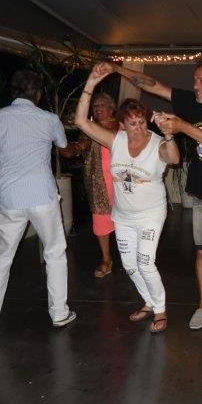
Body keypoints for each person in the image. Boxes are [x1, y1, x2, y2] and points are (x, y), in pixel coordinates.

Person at [115, 60, 202, 330]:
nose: (195, 85)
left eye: (201, 80)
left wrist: (182, 126)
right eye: (194, 79)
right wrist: (118, 69)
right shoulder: (190, 102)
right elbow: (152, 85)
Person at [74, 63, 179, 332]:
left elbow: (173, 158)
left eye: (142, 122)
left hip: (150, 215)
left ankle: (160, 309)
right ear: (122, 124)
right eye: (132, 123)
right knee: (130, 266)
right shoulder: (115, 140)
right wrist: (91, 82)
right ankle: (148, 302)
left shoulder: (157, 143)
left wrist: (168, 135)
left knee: (145, 262)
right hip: (122, 216)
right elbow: (81, 122)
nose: (139, 128)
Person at [0, 70, 76, 332]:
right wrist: (79, 147)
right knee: (54, 252)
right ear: (37, 94)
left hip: (9, 197)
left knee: (1, 257)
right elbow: (66, 151)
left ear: (14, 91)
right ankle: (59, 313)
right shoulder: (49, 119)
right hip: (42, 195)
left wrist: (3, 175)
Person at [59, 92, 119, 278]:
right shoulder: (89, 129)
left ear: (111, 108)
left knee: (128, 219)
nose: (97, 108)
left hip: (123, 182)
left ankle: (132, 258)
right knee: (101, 220)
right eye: (95, 106)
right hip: (99, 182)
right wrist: (68, 148)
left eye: (101, 105)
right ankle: (107, 260)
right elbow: (80, 145)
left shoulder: (123, 126)